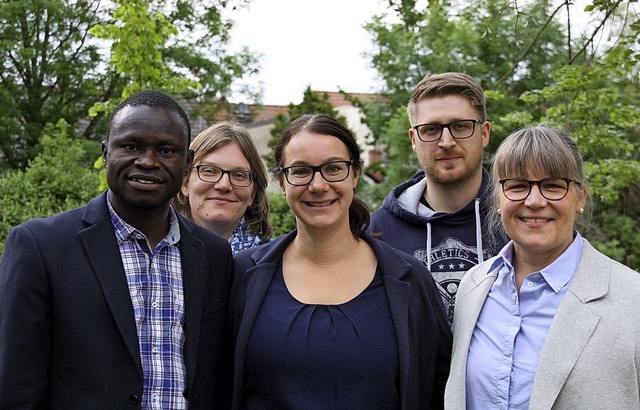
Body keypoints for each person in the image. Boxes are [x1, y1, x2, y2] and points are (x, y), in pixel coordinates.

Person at [0, 90, 233, 408]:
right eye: (131, 146)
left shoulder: (215, 255)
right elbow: (16, 384)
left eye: (166, 150)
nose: (148, 161)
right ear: (106, 152)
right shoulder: (40, 247)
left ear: (188, 164)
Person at [229, 113, 452, 409]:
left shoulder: (410, 280)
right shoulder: (243, 276)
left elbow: (439, 389)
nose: (318, 185)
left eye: (334, 169)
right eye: (301, 171)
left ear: (355, 174)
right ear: (282, 181)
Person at [445, 126, 640, 409]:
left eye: (553, 185)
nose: (535, 201)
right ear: (498, 199)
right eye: (517, 185)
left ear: (581, 197)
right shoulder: (474, 286)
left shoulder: (632, 299)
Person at [369, 72, 508, 325]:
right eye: (431, 129)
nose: (446, 142)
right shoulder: (376, 234)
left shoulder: (517, 221)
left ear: (484, 133)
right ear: (414, 140)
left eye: (460, 126)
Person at [174, 121, 272, 253]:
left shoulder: (276, 264)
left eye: (239, 175)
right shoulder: (154, 255)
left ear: (252, 194)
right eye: (209, 171)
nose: (224, 185)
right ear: (185, 183)